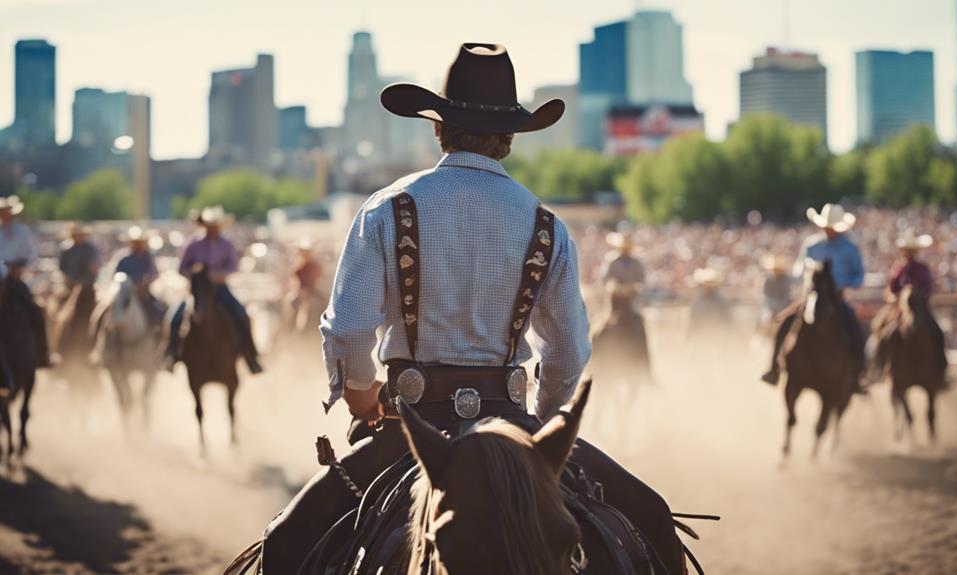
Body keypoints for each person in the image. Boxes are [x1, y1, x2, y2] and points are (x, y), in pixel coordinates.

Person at [260, 43, 684, 573]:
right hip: (514, 422)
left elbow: (348, 332)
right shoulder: (547, 225)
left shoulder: (388, 209)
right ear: (509, 137)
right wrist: (545, 430)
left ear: (438, 127)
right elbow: (569, 350)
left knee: (285, 544)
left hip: (408, 432)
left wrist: (365, 401)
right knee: (653, 518)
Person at [762, 203, 866, 386]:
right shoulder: (812, 245)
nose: (830, 230)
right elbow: (799, 269)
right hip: (811, 296)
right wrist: (808, 276)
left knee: (856, 331)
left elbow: (858, 275)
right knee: (784, 323)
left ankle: (857, 375)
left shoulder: (849, 249)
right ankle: (774, 369)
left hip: (837, 299)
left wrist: (848, 285)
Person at [165, 207, 263, 374]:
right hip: (196, 290)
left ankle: (251, 356)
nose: (212, 229)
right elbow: (182, 268)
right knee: (175, 316)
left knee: (242, 314)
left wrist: (217, 275)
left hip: (220, 288)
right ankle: (171, 354)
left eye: (214, 226)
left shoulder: (226, 245)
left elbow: (233, 267)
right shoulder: (193, 244)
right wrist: (194, 273)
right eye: (209, 226)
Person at [871, 231, 945, 375]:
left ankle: (941, 368)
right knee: (882, 329)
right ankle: (880, 365)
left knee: (937, 332)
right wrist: (896, 298)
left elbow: (928, 289)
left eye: (912, 250)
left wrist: (919, 298)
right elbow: (890, 289)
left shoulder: (922, 269)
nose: (909, 253)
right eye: (907, 250)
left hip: (920, 308)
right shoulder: (898, 268)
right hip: (898, 309)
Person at [0, 195, 51, 368]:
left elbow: (31, 255)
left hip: (15, 280)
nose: (5, 216)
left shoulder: (22, 232)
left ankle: (42, 355)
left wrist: (20, 266)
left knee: (35, 311)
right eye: (2, 213)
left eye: (7, 213)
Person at [113, 225, 166, 325]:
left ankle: (158, 330)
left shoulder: (148, 258)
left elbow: (154, 273)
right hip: (126, 290)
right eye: (135, 242)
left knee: (158, 310)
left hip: (143, 291)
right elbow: (117, 274)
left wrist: (146, 281)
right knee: (113, 304)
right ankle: (114, 323)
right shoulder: (125, 259)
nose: (137, 245)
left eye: (139, 242)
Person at [58, 223, 100, 292]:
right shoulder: (66, 249)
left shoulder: (90, 248)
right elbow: (62, 266)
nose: (80, 237)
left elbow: (94, 265)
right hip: (71, 282)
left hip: (87, 283)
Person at [760, 255, 793, 329]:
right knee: (765, 319)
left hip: (784, 306)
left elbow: (786, 295)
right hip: (771, 307)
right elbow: (766, 296)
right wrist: (773, 308)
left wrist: (782, 308)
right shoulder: (768, 279)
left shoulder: (786, 279)